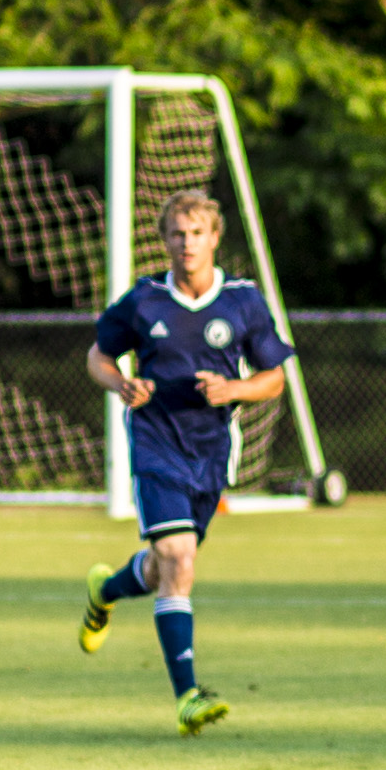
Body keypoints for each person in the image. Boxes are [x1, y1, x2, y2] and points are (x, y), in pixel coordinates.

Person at [76, 190, 295, 736]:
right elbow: (98, 357)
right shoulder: (144, 300)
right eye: (177, 233)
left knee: (165, 567)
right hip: (156, 443)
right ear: (164, 240)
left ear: (215, 238)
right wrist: (120, 383)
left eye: (197, 233)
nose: (186, 243)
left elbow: (274, 378)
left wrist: (234, 389)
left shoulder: (242, 301)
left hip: (211, 451)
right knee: (179, 558)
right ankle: (188, 698)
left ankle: (106, 591)